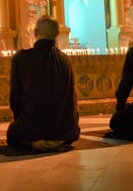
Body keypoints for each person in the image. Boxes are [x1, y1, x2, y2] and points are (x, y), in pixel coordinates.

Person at [7, 15, 80, 152]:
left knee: (13, 132)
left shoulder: (21, 58)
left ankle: (34, 143)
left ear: (35, 33)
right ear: (57, 34)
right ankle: (56, 141)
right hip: (64, 131)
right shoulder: (66, 61)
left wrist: (21, 121)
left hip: (33, 129)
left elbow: (14, 99)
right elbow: (73, 100)